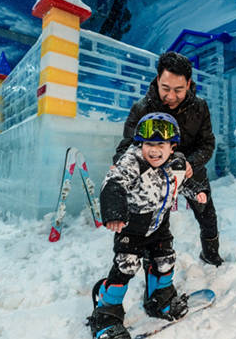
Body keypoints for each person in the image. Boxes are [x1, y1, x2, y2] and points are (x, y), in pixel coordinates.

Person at [88, 112, 208, 339]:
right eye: (148, 144)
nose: (154, 150)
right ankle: (106, 313)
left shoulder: (177, 163)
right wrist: (114, 213)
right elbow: (114, 182)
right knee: (127, 265)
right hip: (131, 225)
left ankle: (160, 299)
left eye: (160, 144)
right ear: (140, 144)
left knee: (165, 260)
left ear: (172, 146)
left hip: (159, 224)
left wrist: (197, 192)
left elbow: (182, 183)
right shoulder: (132, 161)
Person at [113, 51, 223, 266]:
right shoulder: (142, 108)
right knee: (151, 224)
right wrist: (123, 166)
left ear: (189, 83)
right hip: (154, 178)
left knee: (207, 215)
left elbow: (207, 144)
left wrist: (191, 163)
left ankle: (211, 254)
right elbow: (125, 147)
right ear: (157, 80)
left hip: (191, 170)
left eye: (178, 90)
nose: (171, 96)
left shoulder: (200, 107)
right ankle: (150, 263)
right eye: (165, 88)